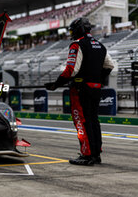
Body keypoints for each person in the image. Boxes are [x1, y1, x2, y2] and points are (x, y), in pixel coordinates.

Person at [45, 17, 115, 166]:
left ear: (78, 30)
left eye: (72, 30)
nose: (72, 33)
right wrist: (98, 80)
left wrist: (56, 84)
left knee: (81, 121)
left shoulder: (77, 45)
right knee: (93, 120)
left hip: (81, 90)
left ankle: (87, 154)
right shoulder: (100, 45)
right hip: (96, 89)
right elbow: (109, 65)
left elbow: (71, 70)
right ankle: (96, 153)